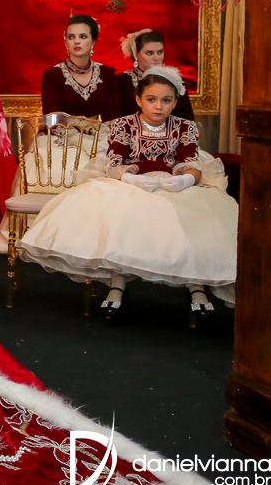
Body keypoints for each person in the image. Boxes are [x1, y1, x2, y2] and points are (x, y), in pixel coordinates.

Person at [18, 66, 235, 323]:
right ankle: (117, 283)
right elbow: (114, 161)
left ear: (175, 102)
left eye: (166, 100)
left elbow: (191, 161)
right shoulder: (124, 124)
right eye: (151, 99)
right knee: (119, 216)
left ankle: (196, 286)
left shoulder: (185, 127)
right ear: (139, 100)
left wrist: (185, 179)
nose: (158, 106)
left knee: (194, 218)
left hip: (172, 181)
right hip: (129, 180)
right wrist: (130, 177)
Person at [40, 14, 118, 120]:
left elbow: (112, 117)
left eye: (83, 36)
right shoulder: (53, 75)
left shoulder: (106, 73)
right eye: (71, 37)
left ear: (93, 41)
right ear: (65, 42)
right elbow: (52, 119)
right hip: (62, 130)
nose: (76, 41)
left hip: (98, 130)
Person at [116, 28, 195, 120]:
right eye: (150, 53)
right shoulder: (120, 81)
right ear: (136, 55)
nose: (157, 58)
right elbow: (114, 119)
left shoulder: (174, 79)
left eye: (160, 52)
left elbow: (186, 118)